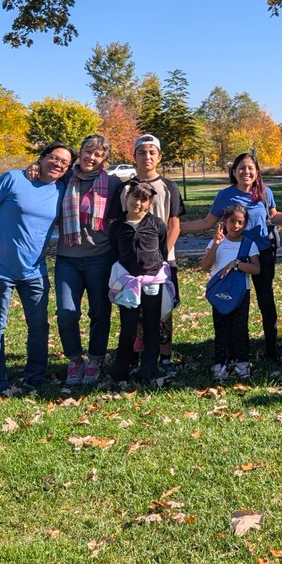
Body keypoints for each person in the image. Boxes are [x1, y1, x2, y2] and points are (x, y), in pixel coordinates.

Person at [0, 143, 72, 398]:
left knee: (39, 326)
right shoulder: (13, 178)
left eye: (65, 163)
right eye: (54, 158)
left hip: (34, 272)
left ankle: (35, 378)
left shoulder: (62, 190)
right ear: (42, 157)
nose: (59, 164)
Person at [182, 153, 282, 361]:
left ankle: (271, 349)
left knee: (266, 302)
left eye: (251, 168)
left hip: (261, 254)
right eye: (242, 168)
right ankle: (229, 348)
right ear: (234, 171)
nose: (246, 172)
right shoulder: (225, 195)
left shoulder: (265, 193)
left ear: (257, 172)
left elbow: (274, 216)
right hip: (232, 255)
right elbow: (207, 222)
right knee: (231, 301)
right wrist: (176, 227)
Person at [53, 134, 122, 387]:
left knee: (100, 312)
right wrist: (33, 166)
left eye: (98, 154)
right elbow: (44, 171)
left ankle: (94, 359)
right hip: (67, 259)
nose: (91, 157)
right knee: (66, 313)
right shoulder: (63, 178)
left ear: (105, 159)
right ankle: (74, 359)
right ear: (80, 152)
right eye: (87, 151)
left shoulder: (113, 183)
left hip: (100, 258)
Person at [119, 134, 185, 376]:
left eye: (151, 152)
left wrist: (161, 256)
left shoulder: (169, 186)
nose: (146, 156)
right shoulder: (126, 188)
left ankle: (165, 356)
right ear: (134, 156)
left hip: (163, 262)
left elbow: (174, 224)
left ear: (159, 157)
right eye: (141, 152)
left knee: (163, 310)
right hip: (132, 265)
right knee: (133, 309)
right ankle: (135, 355)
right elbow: (120, 223)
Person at [108, 181, 171, 384]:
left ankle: (148, 370)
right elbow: (115, 250)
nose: (138, 202)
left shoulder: (156, 224)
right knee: (128, 327)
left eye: (144, 200)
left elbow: (162, 250)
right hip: (128, 283)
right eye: (135, 197)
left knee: (152, 325)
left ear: (149, 203)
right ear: (127, 198)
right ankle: (122, 369)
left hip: (152, 281)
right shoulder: (118, 225)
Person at [200, 203, 261, 380]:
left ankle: (242, 363)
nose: (236, 225)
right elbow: (205, 265)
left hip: (240, 293)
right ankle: (220, 363)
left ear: (245, 224)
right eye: (232, 221)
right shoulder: (216, 242)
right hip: (219, 292)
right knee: (221, 329)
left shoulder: (249, 244)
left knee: (240, 329)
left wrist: (236, 263)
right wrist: (216, 245)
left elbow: (256, 269)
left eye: (240, 222)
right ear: (225, 222)